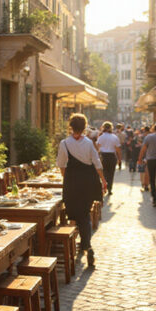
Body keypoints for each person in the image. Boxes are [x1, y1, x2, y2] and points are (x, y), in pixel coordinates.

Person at [57, 113, 106, 267]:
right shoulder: (89, 143)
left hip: (72, 182)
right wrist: (103, 180)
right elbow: (97, 163)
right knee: (85, 214)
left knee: (72, 214)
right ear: (84, 127)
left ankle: (73, 247)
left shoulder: (64, 143)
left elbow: (61, 165)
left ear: (70, 126)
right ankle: (87, 246)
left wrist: (68, 179)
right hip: (88, 182)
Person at [96, 121, 121, 196]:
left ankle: (104, 187)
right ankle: (109, 188)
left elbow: (97, 147)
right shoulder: (114, 137)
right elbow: (118, 150)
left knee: (104, 173)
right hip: (112, 156)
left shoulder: (101, 137)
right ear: (111, 128)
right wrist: (119, 159)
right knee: (111, 173)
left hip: (103, 156)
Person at [138, 125, 151, 191]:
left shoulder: (143, 137)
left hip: (145, 155)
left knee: (144, 171)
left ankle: (144, 184)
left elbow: (141, 146)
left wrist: (140, 158)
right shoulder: (151, 136)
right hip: (149, 155)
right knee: (146, 171)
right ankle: (146, 184)